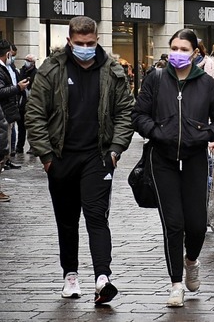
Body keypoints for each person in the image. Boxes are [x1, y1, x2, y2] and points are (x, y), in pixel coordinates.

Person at [25, 16, 134, 304]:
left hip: (97, 157)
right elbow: (34, 114)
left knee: (97, 217)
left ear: (97, 39)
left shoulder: (112, 70)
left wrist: (115, 150)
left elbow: (125, 112)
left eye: (90, 43)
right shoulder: (51, 69)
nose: (85, 48)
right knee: (67, 220)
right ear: (70, 41)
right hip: (61, 158)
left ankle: (103, 278)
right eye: (79, 43)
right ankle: (70, 276)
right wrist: (46, 157)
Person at [132, 28, 214, 307]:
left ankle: (191, 260)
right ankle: (176, 284)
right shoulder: (156, 78)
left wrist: (204, 134)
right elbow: (138, 115)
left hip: (194, 158)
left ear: (195, 53)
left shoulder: (207, 84)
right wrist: (156, 131)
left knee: (197, 225)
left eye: (183, 49)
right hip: (161, 158)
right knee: (173, 224)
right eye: (173, 47)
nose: (177, 53)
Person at [0, 42, 26, 169]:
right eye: (11, 54)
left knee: (9, 135)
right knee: (5, 137)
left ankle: (6, 160)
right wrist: (17, 88)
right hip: (4, 110)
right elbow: (1, 91)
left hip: (9, 109)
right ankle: (3, 162)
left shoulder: (9, 67)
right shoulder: (1, 69)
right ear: (7, 54)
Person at [17, 54, 38, 154]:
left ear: (33, 62)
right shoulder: (22, 71)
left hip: (30, 102)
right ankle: (19, 147)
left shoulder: (36, 73)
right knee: (21, 127)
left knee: (31, 126)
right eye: (26, 60)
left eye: (28, 60)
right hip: (21, 102)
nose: (26, 62)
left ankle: (32, 147)